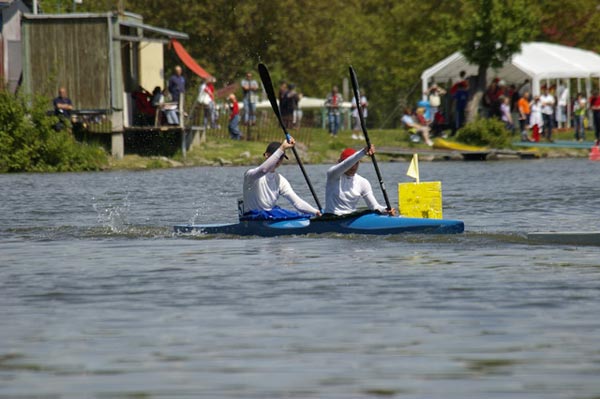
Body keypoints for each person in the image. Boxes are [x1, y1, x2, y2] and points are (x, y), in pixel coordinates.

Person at [242, 139, 321, 219]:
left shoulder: (280, 180)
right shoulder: (250, 175)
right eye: (276, 156)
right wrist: (282, 148)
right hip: (252, 217)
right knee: (275, 212)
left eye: (281, 157)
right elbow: (264, 170)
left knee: (291, 214)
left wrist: (316, 212)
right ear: (266, 155)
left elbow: (297, 203)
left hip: (270, 216)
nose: (278, 160)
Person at [324, 145, 396, 216]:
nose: (353, 167)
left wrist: (385, 210)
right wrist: (363, 152)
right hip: (331, 218)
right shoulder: (333, 174)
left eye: (356, 163)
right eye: (351, 164)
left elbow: (374, 207)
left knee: (369, 213)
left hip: (350, 218)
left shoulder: (362, 182)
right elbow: (346, 164)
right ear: (339, 162)